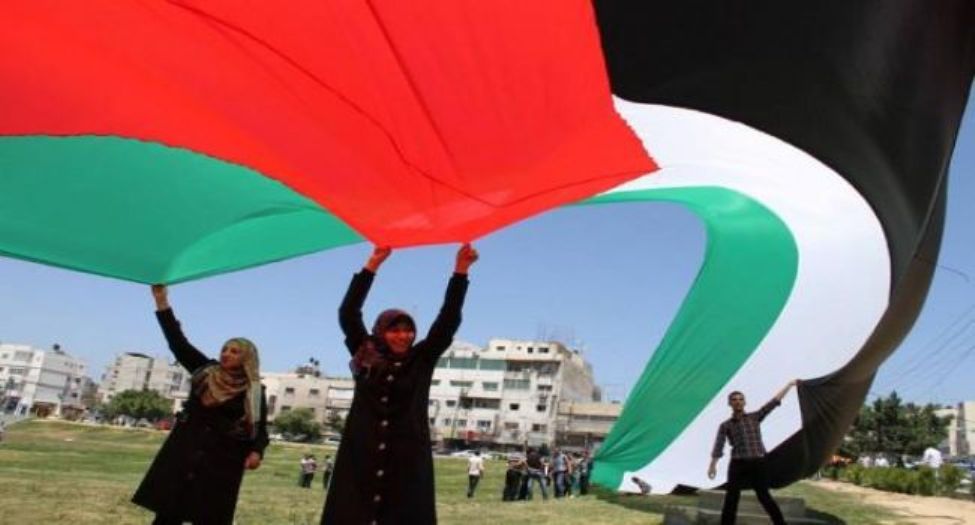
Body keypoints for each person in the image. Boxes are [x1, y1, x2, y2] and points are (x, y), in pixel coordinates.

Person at [322, 244, 478, 525]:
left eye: (408, 330)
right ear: (381, 331)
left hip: (407, 457)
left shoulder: (421, 359)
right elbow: (348, 312)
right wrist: (372, 265)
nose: (403, 336)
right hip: (361, 452)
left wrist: (460, 271)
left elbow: (447, 320)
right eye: (395, 330)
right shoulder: (364, 352)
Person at [132, 284, 268, 525]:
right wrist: (162, 302)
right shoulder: (206, 371)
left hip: (223, 461)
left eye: (234, 351)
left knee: (209, 516)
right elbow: (178, 343)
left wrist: (257, 452)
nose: (226, 354)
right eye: (225, 349)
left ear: (247, 358)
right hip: (186, 450)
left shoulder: (255, 391)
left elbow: (260, 429)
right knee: (168, 513)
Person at [708, 380, 798, 525]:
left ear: (744, 402)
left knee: (764, 495)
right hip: (738, 464)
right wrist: (712, 465)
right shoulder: (725, 425)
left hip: (758, 462)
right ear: (730, 403)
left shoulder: (754, 417)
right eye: (734, 400)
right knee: (732, 497)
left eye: (740, 399)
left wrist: (788, 386)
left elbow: (773, 403)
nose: (738, 402)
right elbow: (719, 446)